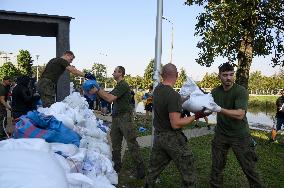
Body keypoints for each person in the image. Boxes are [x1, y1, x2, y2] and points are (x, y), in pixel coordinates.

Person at [145, 63, 209, 188]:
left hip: (159, 136)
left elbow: (171, 99)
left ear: (163, 75)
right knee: (188, 168)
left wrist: (185, 99)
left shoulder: (158, 89)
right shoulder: (172, 95)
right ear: (177, 75)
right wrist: (197, 116)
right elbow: (176, 123)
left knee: (154, 169)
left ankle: (147, 185)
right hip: (172, 138)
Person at [203, 63, 263, 187]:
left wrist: (219, 109)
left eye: (231, 74)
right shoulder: (215, 92)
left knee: (250, 169)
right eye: (225, 75)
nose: (228, 78)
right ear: (219, 76)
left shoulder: (240, 91)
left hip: (240, 135)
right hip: (221, 134)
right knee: (216, 166)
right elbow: (209, 109)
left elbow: (240, 114)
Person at [86, 66, 146, 179]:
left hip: (125, 119)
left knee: (132, 144)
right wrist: (97, 91)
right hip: (117, 118)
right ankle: (116, 167)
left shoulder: (123, 85)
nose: (113, 73)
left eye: (115, 71)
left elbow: (109, 98)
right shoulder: (118, 86)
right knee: (116, 145)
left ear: (121, 73)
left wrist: (98, 90)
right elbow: (106, 96)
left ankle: (141, 170)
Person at [0, 76, 11, 140]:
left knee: (3, 121)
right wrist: (8, 107)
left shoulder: (3, 87)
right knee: (2, 121)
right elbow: (2, 100)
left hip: (1, 107)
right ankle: (1, 136)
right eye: (8, 81)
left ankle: (3, 133)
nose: (9, 82)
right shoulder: (2, 88)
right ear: (4, 80)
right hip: (1, 108)